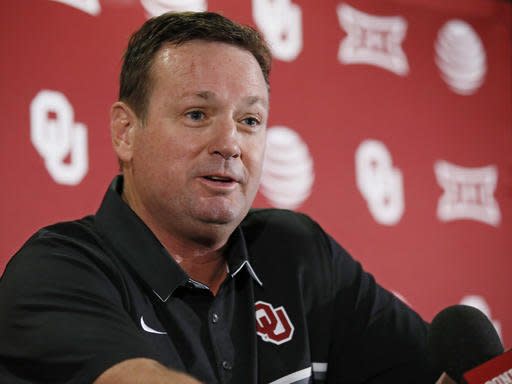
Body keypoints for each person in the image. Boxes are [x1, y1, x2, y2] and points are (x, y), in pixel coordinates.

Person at [0, 11, 440, 384]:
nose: (230, 143)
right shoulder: (55, 271)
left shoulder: (298, 253)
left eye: (250, 120)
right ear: (126, 131)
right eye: (197, 114)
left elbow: (439, 371)